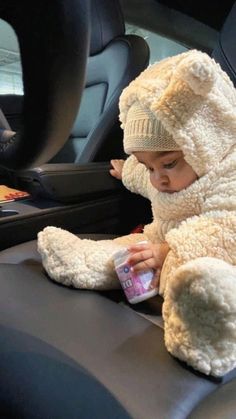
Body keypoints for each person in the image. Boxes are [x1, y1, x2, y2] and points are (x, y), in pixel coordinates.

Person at [38, 49, 236, 377]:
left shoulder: (229, 172)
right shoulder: (158, 174)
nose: (158, 178)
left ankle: (208, 325)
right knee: (128, 253)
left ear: (208, 141)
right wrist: (129, 170)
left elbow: (229, 226)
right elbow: (146, 177)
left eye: (169, 163)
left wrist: (171, 251)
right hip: (159, 243)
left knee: (203, 279)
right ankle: (82, 259)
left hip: (214, 260)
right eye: (149, 165)